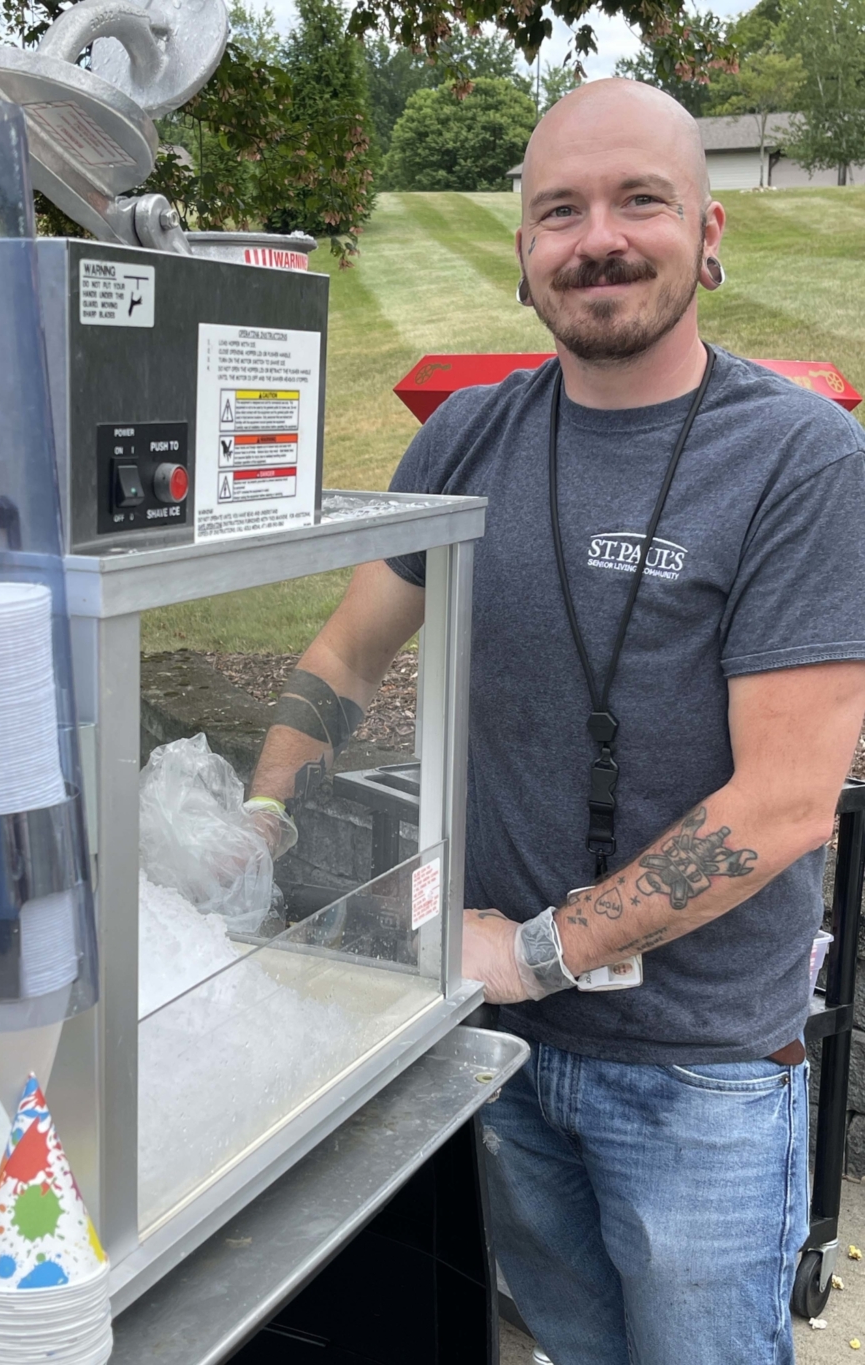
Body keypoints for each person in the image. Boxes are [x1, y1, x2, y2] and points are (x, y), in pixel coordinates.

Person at [246, 78, 865, 1363]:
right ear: (523, 251)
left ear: (707, 231)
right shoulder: (468, 438)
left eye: (641, 200)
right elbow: (347, 654)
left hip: (696, 1068)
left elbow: (786, 801)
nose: (599, 240)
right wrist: (256, 824)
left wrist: (527, 954)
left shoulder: (801, 460)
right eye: (559, 211)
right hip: (500, 1044)